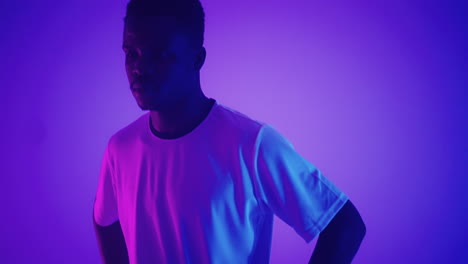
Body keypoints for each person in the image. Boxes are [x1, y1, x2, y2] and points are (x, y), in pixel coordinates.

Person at [92, 0, 366, 263]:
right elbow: (104, 220)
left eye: (161, 55)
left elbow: (345, 225)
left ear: (197, 59)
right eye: (131, 53)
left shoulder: (251, 144)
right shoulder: (120, 148)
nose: (139, 68)